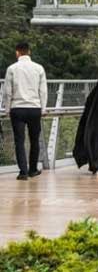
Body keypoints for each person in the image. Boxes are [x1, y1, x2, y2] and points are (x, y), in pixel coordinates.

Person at [2, 42, 48, 180]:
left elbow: (7, 92)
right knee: (34, 140)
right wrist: (43, 108)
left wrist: (7, 108)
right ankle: (33, 169)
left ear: (17, 53)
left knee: (19, 141)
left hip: (17, 108)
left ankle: (23, 172)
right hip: (34, 108)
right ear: (29, 52)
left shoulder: (12, 68)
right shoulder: (39, 68)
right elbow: (43, 91)